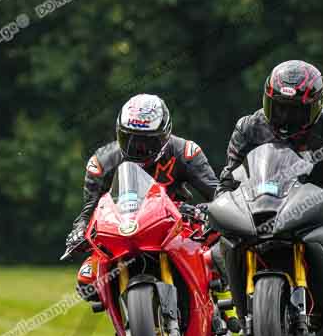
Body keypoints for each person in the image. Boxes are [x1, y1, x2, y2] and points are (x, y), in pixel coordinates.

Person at [216, 59, 323, 336]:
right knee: (223, 239)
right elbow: (227, 180)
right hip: (264, 203)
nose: (286, 117)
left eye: (296, 111)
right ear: (267, 101)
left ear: (317, 106)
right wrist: (219, 206)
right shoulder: (249, 127)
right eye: (279, 108)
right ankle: (240, 307)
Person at [65, 93, 220, 299]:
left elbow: (218, 194)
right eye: (129, 139)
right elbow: (89, 210)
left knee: (218, 254)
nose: (138, 149)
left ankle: (220, 313)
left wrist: (207, 211)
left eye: (147, 142)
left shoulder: (185, 152)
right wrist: (79, 230)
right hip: (123, 230)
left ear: (164, 137)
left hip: (175, 226)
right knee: (87, 281)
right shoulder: (102, 162)